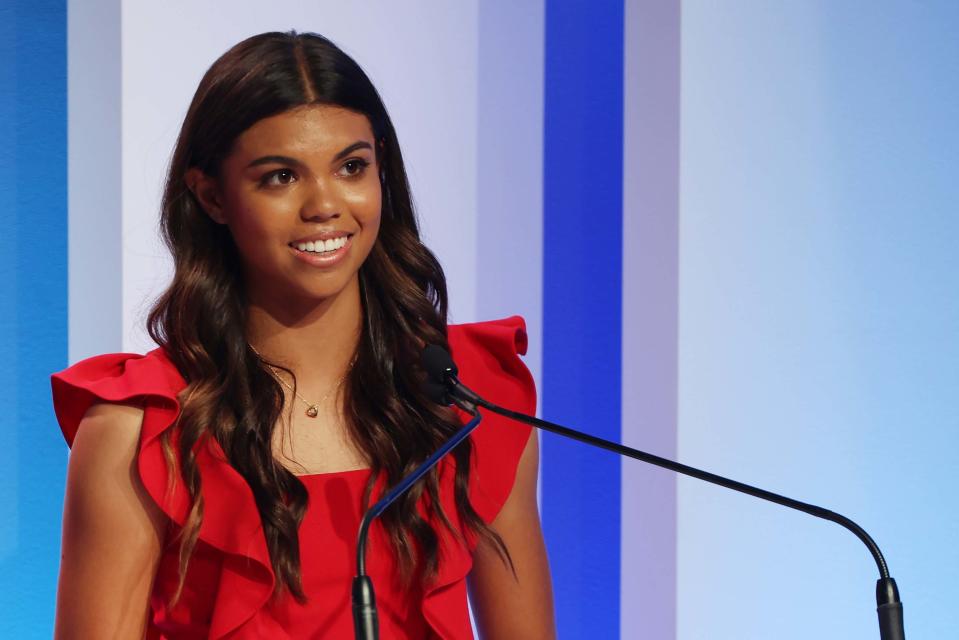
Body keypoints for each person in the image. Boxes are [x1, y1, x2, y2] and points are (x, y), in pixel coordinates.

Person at [50, 31, 555, 639]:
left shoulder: (470, 403)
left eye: (351, 167)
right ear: (212, 195)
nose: (325, 205)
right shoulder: (140, 430)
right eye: (280, 177)